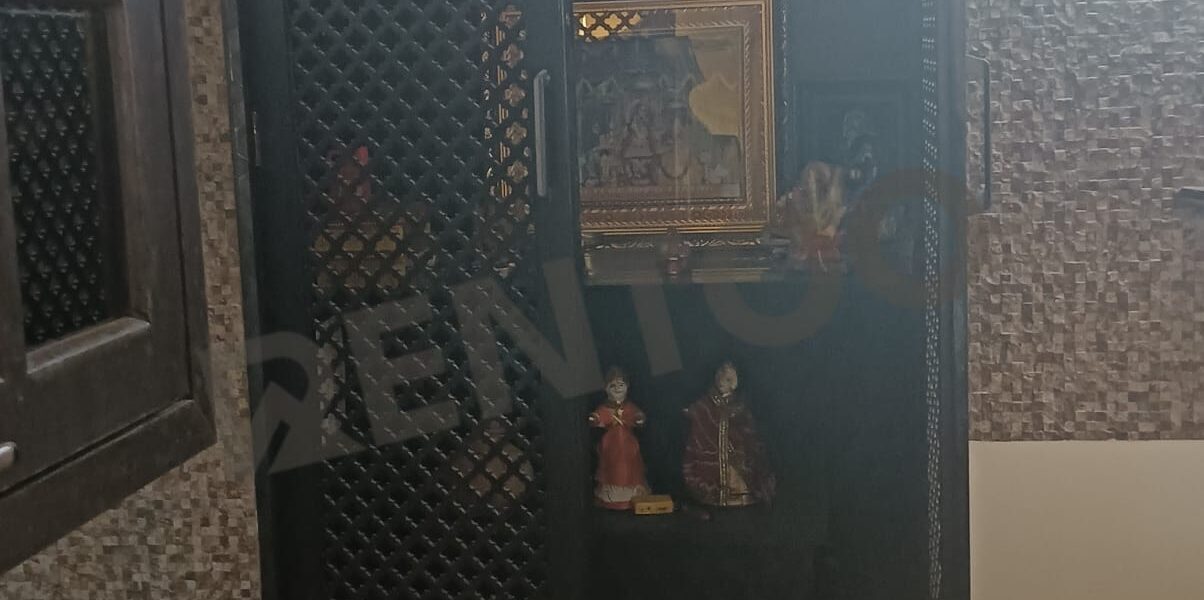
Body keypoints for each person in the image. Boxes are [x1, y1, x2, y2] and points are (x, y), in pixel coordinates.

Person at [589, 367, 651, 509]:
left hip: (628, 444)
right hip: (611, 445)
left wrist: (638, 419)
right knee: (613, 469)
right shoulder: (606, 407)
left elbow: (636, 415)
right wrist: (595, 418)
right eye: (613, 386)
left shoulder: (629, 407)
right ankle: (612, 497)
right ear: (606, 388)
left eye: (621, 385)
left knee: (631, 467)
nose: (617, 388)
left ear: (627, 387)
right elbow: (599, 416)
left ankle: (632, 495)